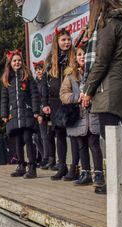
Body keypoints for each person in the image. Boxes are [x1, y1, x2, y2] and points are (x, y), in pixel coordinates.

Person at [81, 0, 122, 194]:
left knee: (111, 139)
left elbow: (101, 61)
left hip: (109, 86)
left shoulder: (109, 24)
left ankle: (114, 184)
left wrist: (88, 91)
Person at [60, 45, 105, 187]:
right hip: (78, 116)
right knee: (81, 145)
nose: (82, 57)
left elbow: (102, 90)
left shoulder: (95, 72)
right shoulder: (70, 76)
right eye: (79, 54)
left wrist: (91, 97)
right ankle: (85, 173)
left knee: (94, 144)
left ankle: (98, 173)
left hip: (93, 116)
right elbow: (63, 95)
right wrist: (77, 97)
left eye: (85, 54)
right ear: (75, 57)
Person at [43, 28, 79, 180]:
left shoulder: (74, 57)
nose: (66, 42)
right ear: (57, 42)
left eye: (68, 40)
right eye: (63, 40)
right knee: (59, 134)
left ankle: (75, 167)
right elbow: (45, 83)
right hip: (55, 102)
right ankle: (62, 166)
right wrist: (44, 103)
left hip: (70, 100)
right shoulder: (51, 60)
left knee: (74, 134)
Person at [0, 49, 40, 179]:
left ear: (22, 62)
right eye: (14, 61)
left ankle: (32, 167)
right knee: (17, 141)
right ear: (10, 63)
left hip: (27, 112)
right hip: (14, 114)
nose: (17, 63)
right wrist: (4, 114)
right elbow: (4, 98)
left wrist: (36, 110)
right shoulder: (7, 79)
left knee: (28, 139)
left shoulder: (27, 76)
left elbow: (34, 94)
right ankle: (21, 165)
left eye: (19, 60)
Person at [33, 61, 51, 168]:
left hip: (44, 113)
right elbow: (34, 99)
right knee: (35, 137)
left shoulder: (46, 81)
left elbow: (45, 98)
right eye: (37, 70)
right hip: (36, 113)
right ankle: (43, 156)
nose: (39, 71)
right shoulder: (35, 83)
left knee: (44, 135)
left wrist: (41, 114)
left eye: (40, 69)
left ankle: (46, 157)